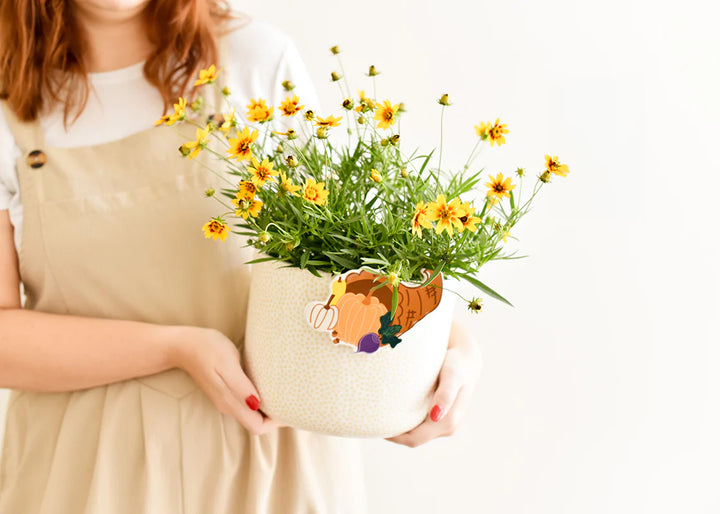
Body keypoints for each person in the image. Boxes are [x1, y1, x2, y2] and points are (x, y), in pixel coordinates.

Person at [0, 1, 484, 512]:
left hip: (273, 466)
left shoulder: (255, 61)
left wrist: (453, 346)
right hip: (85, 474)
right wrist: (176, 348)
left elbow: (345, 257)